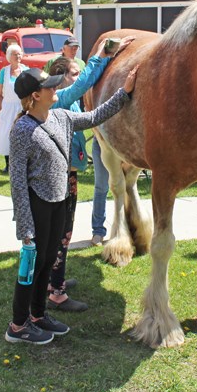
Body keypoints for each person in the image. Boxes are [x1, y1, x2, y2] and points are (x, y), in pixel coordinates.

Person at [5, 65, 137, 345]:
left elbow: (95, 116)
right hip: (37, 205)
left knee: (48, 261)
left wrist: (123, 93)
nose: (56, 88)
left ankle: (39, 316)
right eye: (50, 86)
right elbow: (17, 181)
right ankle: (18, 326)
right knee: (33, 264)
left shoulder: (61, 117)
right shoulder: (22, 129)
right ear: (34, 96)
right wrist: (25, 226)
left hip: (59, 203)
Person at [44, 37, 135, 312]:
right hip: (58, 179)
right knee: (59, 233)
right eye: (72, 73)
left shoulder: (66, 105)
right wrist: (103, 55)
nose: (78, 77)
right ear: (60, 79)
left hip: (67, 175)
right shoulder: (60, 100)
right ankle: (55, 293)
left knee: (63, 233)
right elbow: (85, 83)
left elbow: (93, 116)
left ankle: (53, 279)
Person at [0, 44, 29, 173]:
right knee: (6, 135)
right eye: (15, 54)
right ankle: (8, 164)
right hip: (7, 107)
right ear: (9, 56)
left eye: (20, 53)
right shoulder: (4, 72)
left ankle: (22, 164)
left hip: (21, 107)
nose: (18, 56)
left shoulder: (26, 71)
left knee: (22, 135)